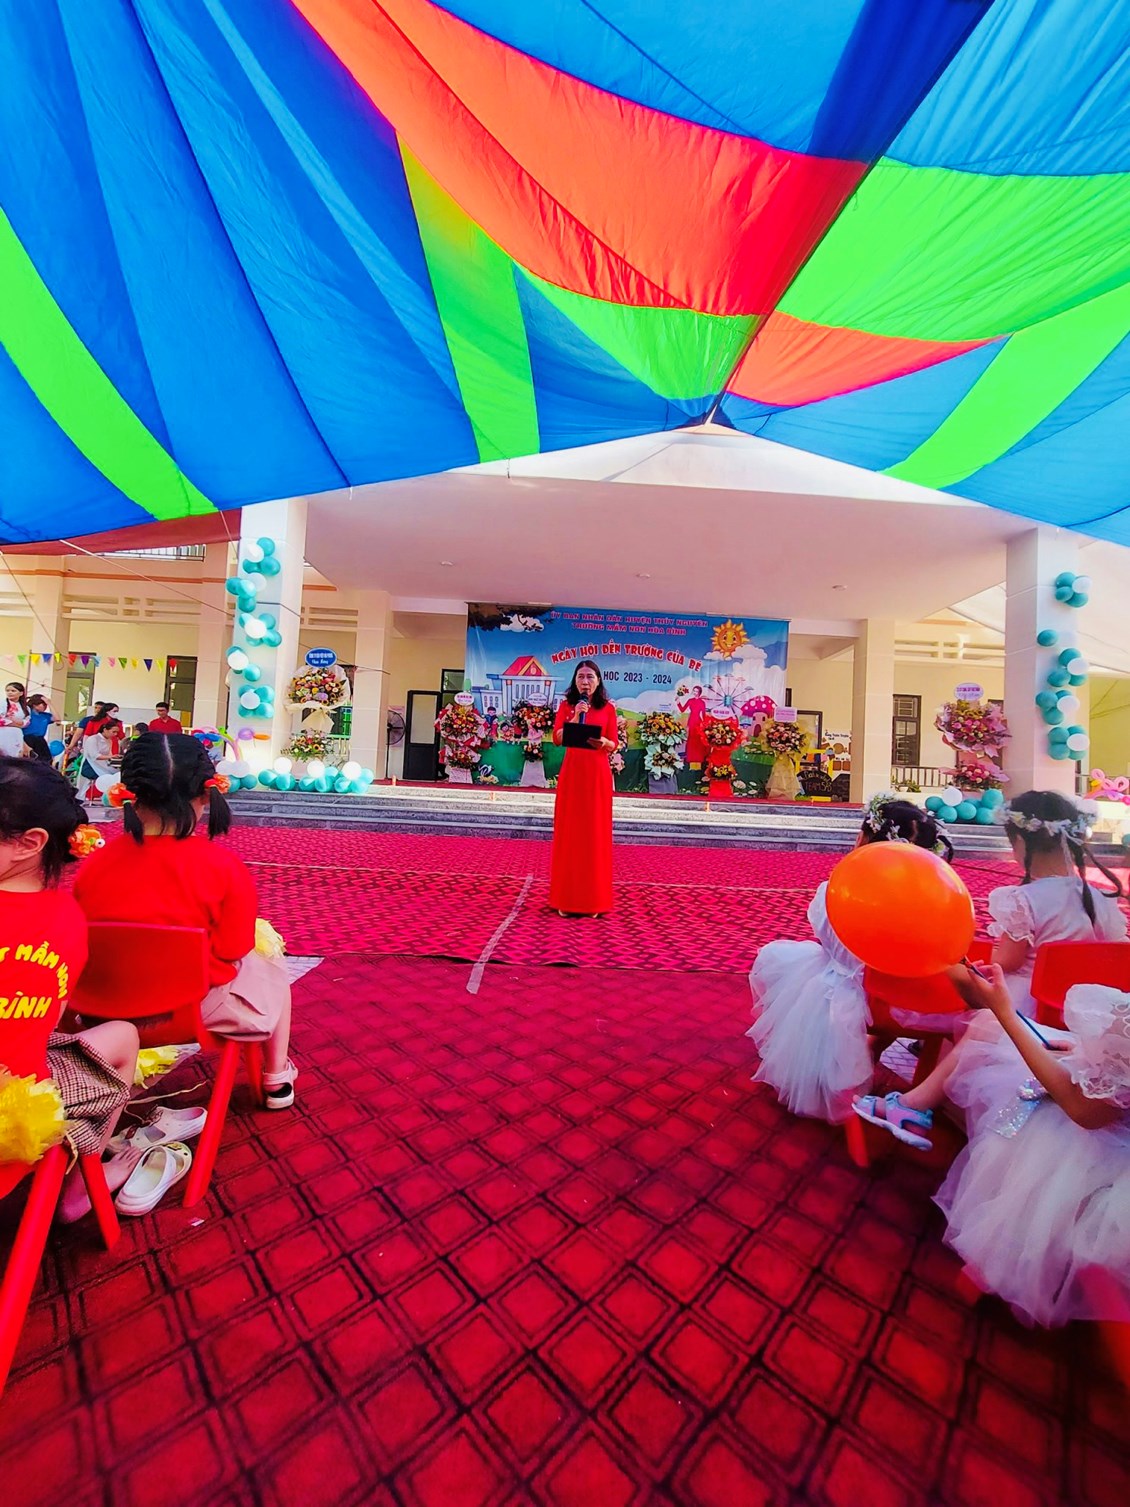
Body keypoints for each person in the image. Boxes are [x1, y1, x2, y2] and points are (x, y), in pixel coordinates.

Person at [855, 962, 1129, 1326]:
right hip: (1104, 1107)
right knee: (986, 1025)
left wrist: (1004, 1011)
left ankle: (1006, 1247)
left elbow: (1083, 1110)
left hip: (1106, 1157)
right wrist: (1082, 1052)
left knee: (992, 1030)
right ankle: (914, 1106)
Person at [74, 733, 297, 1108]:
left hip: (100, 1014)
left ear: (127, 794)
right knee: (271, 963)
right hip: (188, 1012)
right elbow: (234, 948)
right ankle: (276, 1076)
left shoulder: (94, 865)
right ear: (207, 794)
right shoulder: (222, 867)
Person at [748, 797, 955, 1123]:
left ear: (866, 840)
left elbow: (827, 940)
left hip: (852, 994)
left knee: (779, 959)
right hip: (904, 1000)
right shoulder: (928, 901)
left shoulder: (834, 891)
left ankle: (854, 1055)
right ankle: (907, 1070)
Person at [0, 756, 141, 1220]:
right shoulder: (66, 919)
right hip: (15, 1123)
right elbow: (46, 1023)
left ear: (29, 843)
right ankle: (81, 1187)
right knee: (123, 1036)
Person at [975, 790, 1125, 1008]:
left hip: (1034, 1002)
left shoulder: (1022, 900)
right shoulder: (1101, 898)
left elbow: (1007, 961)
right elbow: (1116, 949)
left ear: (1019, 842)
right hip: (1084, 1003)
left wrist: (973, 957)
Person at [549, 660, 617, 917]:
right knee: (570, 832)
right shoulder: (566, 706)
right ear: (574, 680)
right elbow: (557, 739)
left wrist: (604, 742)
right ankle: (566, 899)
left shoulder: (608, 708)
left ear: (598, 681)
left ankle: (592, 902)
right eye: (581, 677)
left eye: (590, 677)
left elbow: (614, 743)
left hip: (597, 774)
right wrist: (576, 716)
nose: (585, 681)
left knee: (594, 834)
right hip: (573, 773)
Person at [79, 717, 123, 800]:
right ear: (105, 730)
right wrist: (111, 757)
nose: (115, 734)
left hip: (104, 764)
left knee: (118, 774)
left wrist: (115, 757)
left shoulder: (109, 740)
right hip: (90, 765)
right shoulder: (93, 739)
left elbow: (109, 755)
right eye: (113, 732)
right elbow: (94, 756)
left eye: (117, 732)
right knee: (111, 776)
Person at [677, 684, 708, 768]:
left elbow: (704, 715)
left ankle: (698, 757)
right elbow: (682, 709)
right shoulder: (690, 700)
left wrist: (705, 725)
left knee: (698, 740)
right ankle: (690, 757)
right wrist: (678, 702)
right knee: (691, 738)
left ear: (699, 693)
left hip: (698, 722)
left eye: (696, 691)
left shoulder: (702, 702)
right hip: (691, 721)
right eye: (694, 691)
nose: (695, 692)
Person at [23, 694, 54, 762]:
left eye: (46, 705)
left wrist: (49, 703)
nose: (45, 707)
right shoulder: (27, 713)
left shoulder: (45, 716)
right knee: (29, 760)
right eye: (43, 704)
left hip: (40, 739)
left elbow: (57, 718)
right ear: (35, 705)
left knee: (47, 760)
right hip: (27, 738)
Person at [1, 682, 29, 758]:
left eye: (13, 691)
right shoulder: (2, 703)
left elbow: (27, 722)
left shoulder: (26, 708)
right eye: (7, 690)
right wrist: (16, 723)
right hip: (3, 732)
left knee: (15, 756)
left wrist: (19, 722)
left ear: (21, 693)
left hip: (16, 733)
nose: (9, 693)